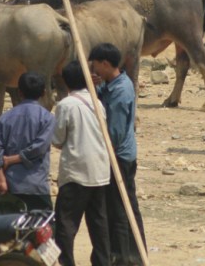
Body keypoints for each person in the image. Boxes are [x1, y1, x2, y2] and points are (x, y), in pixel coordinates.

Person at [89, 43, 146, 266]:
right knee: (119, 208)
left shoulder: (121, 91)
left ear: (105, 64)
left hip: (119, 158)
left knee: (121, 210)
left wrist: (103, 156)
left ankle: (128, 258)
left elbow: (115, 132)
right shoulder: (112, 83)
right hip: (117, 156)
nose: (93, 70)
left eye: (95, 65)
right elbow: (101, 96)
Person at [53, 61, 111, 266]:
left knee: (65, 225)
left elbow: (57, 140)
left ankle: (66, 262)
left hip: (76, 172)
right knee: (99, 225)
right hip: (100, 171)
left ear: (66, 82)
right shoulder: (97, 102)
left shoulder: (66, 105)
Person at [0, 72, 55, 212]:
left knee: (12, 231)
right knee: (42, 230)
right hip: (36, 187)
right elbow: (39, 148)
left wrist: (1, 179)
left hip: (10, 186)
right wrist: (13, 159)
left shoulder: (4, 118)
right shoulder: (47, 118)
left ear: (19, 92)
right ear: (44, 92)